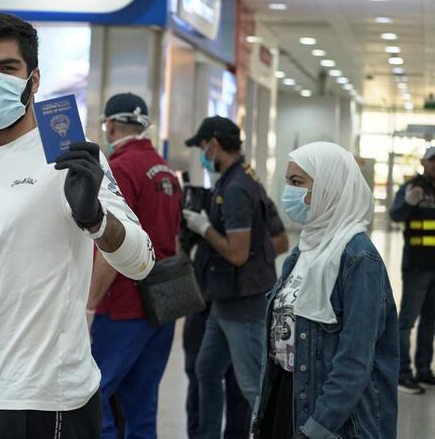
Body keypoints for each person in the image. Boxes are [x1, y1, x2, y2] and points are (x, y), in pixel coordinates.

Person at [0, 12, 155, 439]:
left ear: (33, 79)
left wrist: (95, 218)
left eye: (8, 67)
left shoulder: (72, 161)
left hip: (54, 399)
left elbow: (141, 261)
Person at [252, 142, 398, 439]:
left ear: (329, 187)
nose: (288, 192)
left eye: (297, 182)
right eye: (287, 182)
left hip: (332, 417)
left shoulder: (359, 258)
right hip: (288, 395)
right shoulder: (303, 251)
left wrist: (317, 428)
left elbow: (355, 361)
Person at [87, 92, 182, 439]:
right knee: (142, 403)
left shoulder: (120, 169)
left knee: (95, 396)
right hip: (162, 302)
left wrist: (90, 304)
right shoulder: (165, 170)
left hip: (124, 305)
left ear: (109, 125)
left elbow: (114, 244)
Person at [182, 116, 276, 439]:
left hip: (243, 305)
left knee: (252, 387)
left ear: (214, 144)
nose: (202, 154)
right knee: (206, 371)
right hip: (224, 301)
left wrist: (202, 227)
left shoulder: (236, 187)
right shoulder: (235, 178)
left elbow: (237, 253)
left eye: (202, 147)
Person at [183, 196, 289, 439]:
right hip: (205, 301)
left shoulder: (250, 195)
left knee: (243, 386)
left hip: (240, 300)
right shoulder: (201, 196)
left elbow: (281, 241)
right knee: (202, 374)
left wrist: (243, 251)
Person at [389, 146, 435, 394]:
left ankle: (424, 370)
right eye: (432, 161)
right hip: (416, 266)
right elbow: (395, 215)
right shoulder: (411, 187)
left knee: (430, 321)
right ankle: (402, 373)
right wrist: (407, 203)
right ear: (423, 162)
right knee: (407, 321)